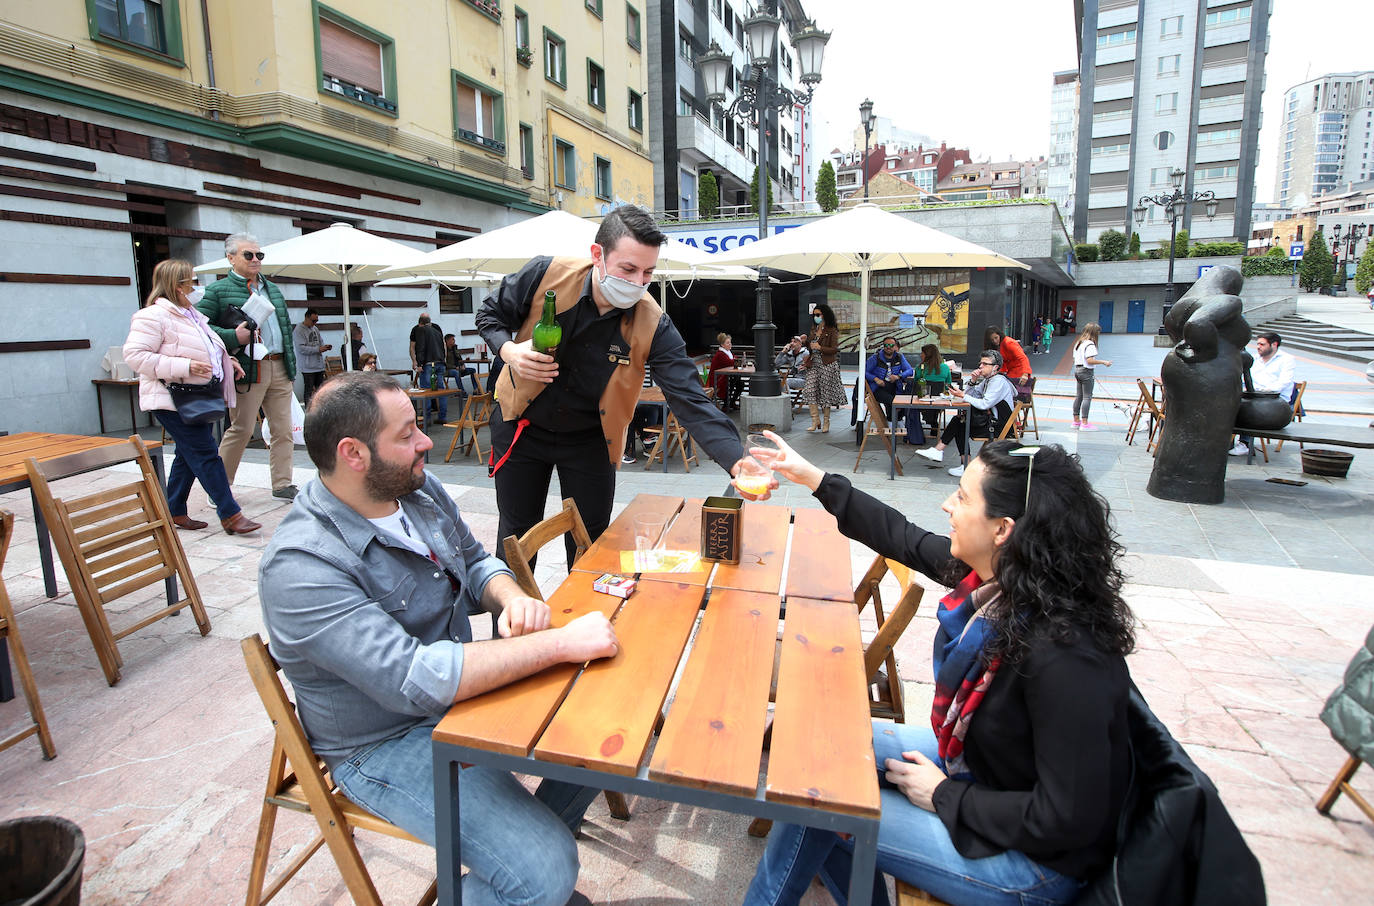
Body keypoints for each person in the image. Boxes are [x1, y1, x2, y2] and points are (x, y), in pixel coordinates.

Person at [259, 371, 616, 906]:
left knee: (611, 714)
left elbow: (474, 560)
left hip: (451, 699)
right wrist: (559, 643)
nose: (426, 442)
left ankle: (527, 861)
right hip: (382, 742)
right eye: (406, 435)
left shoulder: (414, 489)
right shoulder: (301, 566)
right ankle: (529, 877)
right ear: (353, 454)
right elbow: (416, 680)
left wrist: (510, 597)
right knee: (545, 870)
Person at [737, 435, 1135, 906]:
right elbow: (899, 535)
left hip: (1035, 866)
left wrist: (945, 795)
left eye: (963, 497)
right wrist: (812, 477)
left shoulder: (1064, 654)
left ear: (1002, 529)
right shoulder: (1002, 584)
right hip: (988, 774)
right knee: (815, 750)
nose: (948, 504)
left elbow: (1069, 817)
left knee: (820, 799)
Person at [474, 204, 746, 568]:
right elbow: (489, 314)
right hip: (521, 427)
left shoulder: (653, 322)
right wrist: (509, 351)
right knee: (516, 539)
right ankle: (507, 625)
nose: (637, 284)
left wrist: (737, 460)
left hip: (590, 440)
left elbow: (690, 398)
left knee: (591, 546)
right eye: (628, 269)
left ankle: (582, 623)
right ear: (597, 256)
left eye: (648, 273)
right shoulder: (546, 274)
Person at [123, 259, 261, 535]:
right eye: (191, 282)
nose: (196, 287)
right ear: (177, 286)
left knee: (189, 454)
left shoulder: (191, 315)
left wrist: (227, 362)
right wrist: (184, 367)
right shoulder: (152, 316)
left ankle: (174, 509)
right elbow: (135, 356)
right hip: (172, 397)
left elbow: (209, 347)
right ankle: (230, 514)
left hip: (196, 395)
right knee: (206, 452)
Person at [197, 232, 301, 500]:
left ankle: (282, 484)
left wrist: (290, 366)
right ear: (230, 258)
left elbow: (284, 330)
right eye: (248, 255)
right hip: (246, 367)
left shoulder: (272, 288)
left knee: (283, 430)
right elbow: (200, 330)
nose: (255, 260)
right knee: (241, 429)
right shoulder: (218, 291)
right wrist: (233, 337)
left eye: (259, 255)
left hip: (278, 365)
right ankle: (218, 487)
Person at [917, 350, 1017, 477]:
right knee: (960, 422)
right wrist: (972, 381)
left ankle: (944, 453)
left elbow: (984, 404)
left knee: (960, 422)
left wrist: (963, 395)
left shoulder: (998, 382)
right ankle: (957, 461)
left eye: (985, 364)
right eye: (980, 363)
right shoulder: (988, 380)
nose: (980, 366)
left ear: (995, 367)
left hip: (998, 427)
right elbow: (971, 395)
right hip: (990, 422)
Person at [1230, 331, 1297, 456]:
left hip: (1273, 399)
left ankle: (1245, 443)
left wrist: (1265, 391)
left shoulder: (1287, 360)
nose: (1258, 347)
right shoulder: (1254, 359)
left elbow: (1284, 381)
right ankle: (1229, 442)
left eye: (1262, 344)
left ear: (1274, 345)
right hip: (1253, 395)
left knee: (1251, 410)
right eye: (1258, 344)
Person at [802, 302, 847, 432]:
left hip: (827, 364)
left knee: (825, 393)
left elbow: (834, 349)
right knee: (809, 390)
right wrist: (807, 343)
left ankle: (826, 421)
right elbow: (810, 346)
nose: (815, 317)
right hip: (814, 363)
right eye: (814, 314)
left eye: (818, 314)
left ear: (824, 315)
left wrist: (820, 348)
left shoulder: (832, 330)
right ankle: (815, 420)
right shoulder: (814, 329)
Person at [907, 343, 952, 445]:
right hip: (939, 402)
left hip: (922, 401)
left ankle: (924, 424)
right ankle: (933, 422)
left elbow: (916, 382)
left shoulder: (920, 368)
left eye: (922, 353)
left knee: (918, 392)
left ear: (927, 355)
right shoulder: (945, 367)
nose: (920, 355)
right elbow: (948, 384)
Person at [865, 337, 914, 428]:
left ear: (895, 346)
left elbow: (910, 370)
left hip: (895, 386)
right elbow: (864, 371)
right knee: (892, 401)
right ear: (883, 346)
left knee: (905, 400)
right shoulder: (875, 357)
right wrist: (876, 379)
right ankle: (892, 423)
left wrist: (898, 376)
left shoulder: (899, 357)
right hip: (877, 388)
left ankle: (898, 420)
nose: (888, 347)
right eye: (886, 345)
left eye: (891, 345)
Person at [1071, 322, 1113, 431]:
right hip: (1086, 371)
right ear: (1094, 332)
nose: (1099, 334)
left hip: (1077, 370)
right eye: (1098, 332)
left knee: (1079, 396)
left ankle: (1076, 421)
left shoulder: (1079, 343)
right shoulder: (1090, 344)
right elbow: (1089, 360)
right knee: (1087, 397)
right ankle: (1084, 423)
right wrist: (1104, 362)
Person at [409, 313, 449, 421]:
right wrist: (444, 359)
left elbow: (419, 348)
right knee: (441, 390)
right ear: (429, 321)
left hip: (428, 364)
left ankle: (427, 418)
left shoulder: (420, 330)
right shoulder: (436, 329)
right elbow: (444, 345)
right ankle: (443, 416)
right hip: (440, 362)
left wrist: (419, 363)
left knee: (425, 390)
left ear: (420, 323)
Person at [293, 307, 332, 408]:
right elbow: (301, 348)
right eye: (313, 320)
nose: (315, 323)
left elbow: (320, 341)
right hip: (308, 367)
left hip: (318, 365)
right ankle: (309, 411)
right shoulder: (299, 330)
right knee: (309, 390)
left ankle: (321, 409)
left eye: (316, 321)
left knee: (321, 390)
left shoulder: (315, 329)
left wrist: (324, 347)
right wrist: (318, 349)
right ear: (306, 317)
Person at [983, 326, 1032, 393]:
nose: (995, 341)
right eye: (992, 340)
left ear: (999, 335)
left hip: (1019, 374)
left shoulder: (1008, 343)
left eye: (996, 338)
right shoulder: (1002, 344)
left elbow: (1022, 357)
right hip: (1013, 372)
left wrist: (1025, 374)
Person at [708, 332, 738, 410]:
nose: (730, 344)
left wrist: (735, 360)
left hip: (723, 377)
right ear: (722, 345)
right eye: (728, 343)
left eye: (730, 342)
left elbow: (734, 360)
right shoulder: (720, 354)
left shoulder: (727, 352)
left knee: (739, 383)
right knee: (731, 381)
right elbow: (731, 362)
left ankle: (731, 402)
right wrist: (735, 360)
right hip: (717, 380)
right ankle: (726, 404)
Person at [443, 333, 479, 397]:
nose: (454, 341)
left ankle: (476, 389)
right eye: (452, 339)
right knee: (456, 373)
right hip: (448, 370)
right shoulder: (444, 351)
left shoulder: (455, 348)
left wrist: (463, 364)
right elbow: (444, 363)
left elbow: (459, 358)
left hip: (458, 368)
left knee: (472, 370)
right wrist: (455, 367)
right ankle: (462, 392)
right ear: (448, 341)